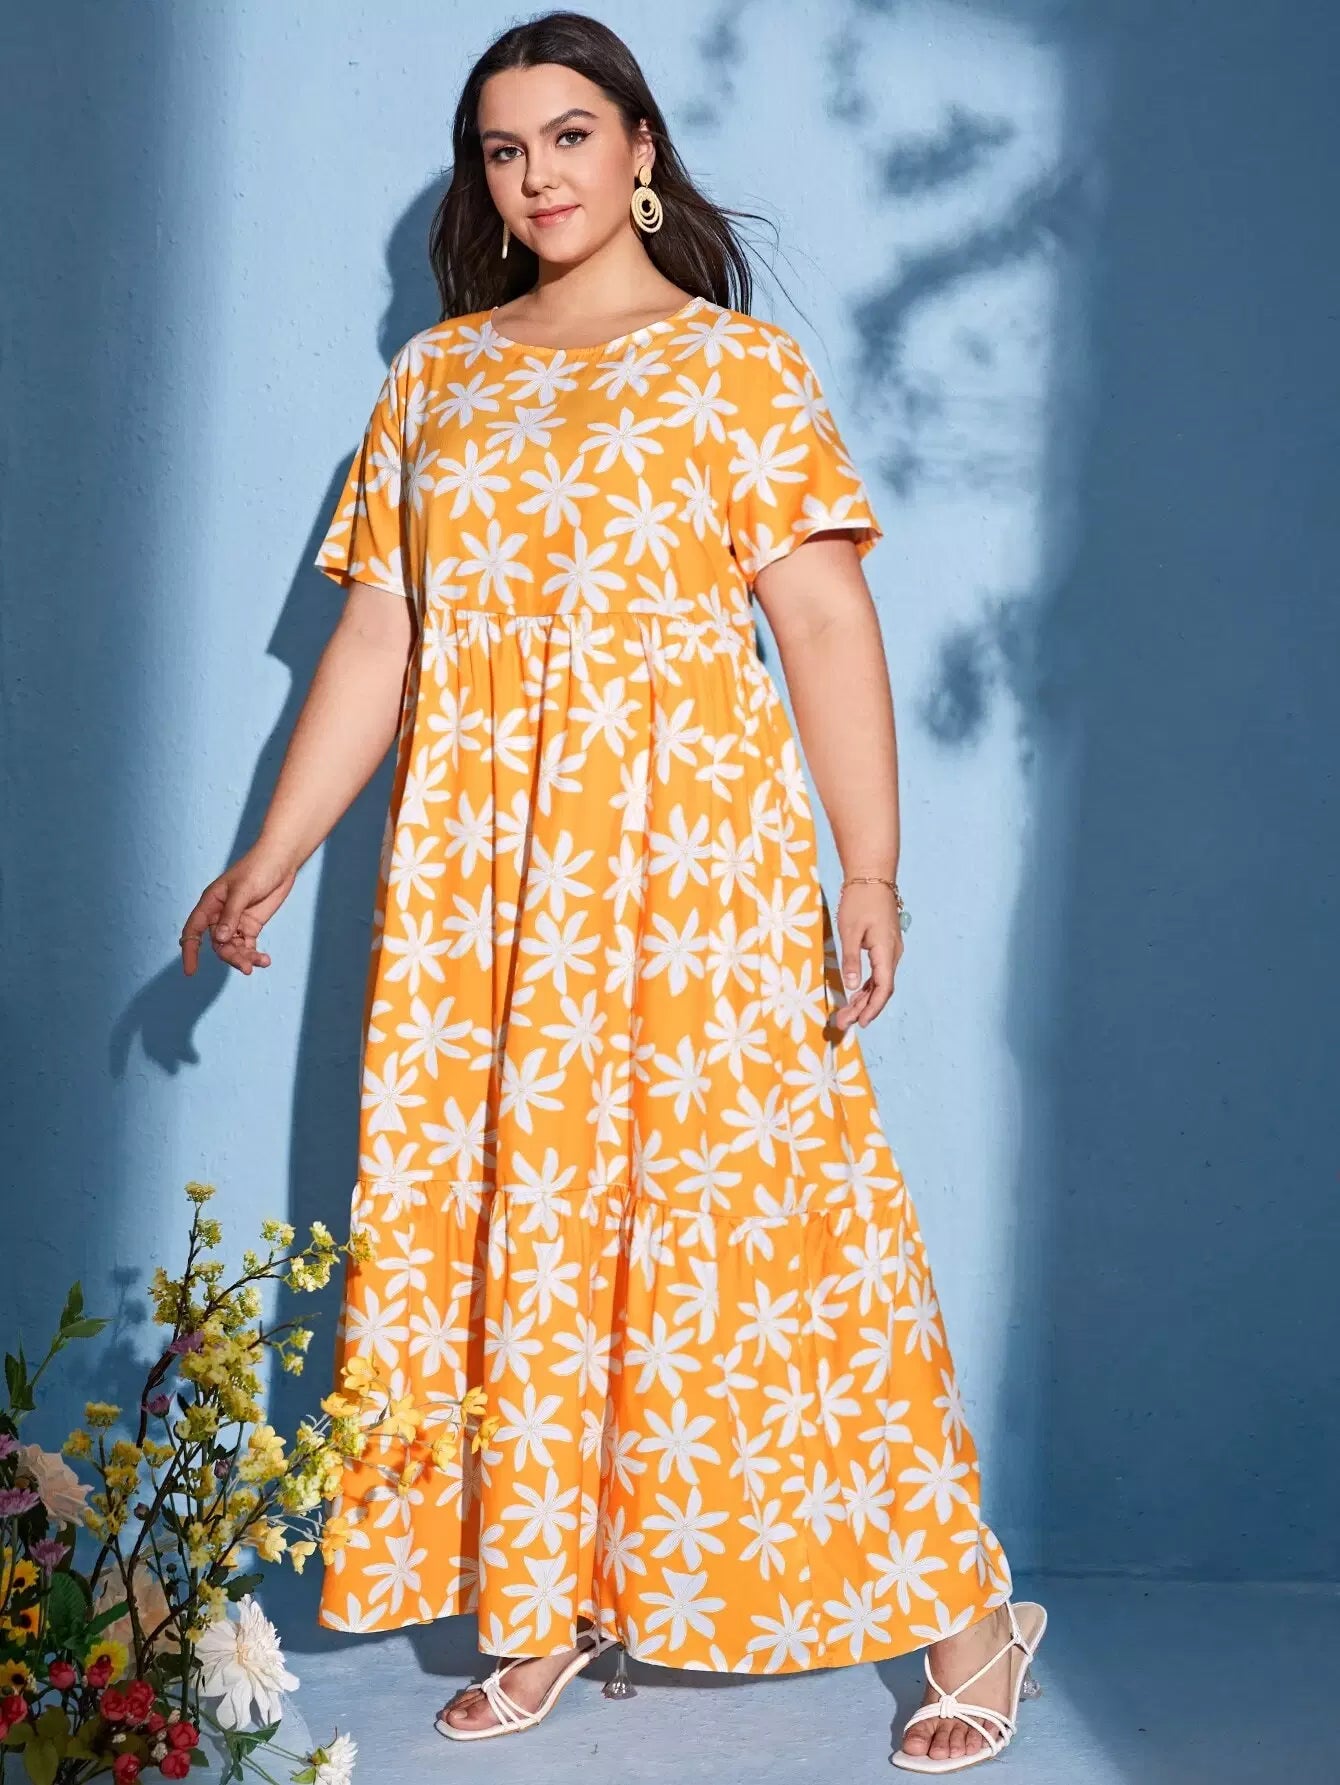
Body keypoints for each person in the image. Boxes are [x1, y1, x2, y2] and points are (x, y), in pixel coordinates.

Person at [178, 9, 1046, 1772]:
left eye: (569, 136)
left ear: (640, 150)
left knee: (774, 1230)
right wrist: (271, 850)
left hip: (693, 869)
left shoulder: (735, 369)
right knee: (515, 1221)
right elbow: (382, 638)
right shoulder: (435, 380)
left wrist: (871, 866)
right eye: (504, 150)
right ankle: (542, 1597)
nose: (538, 176)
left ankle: (970, 1612)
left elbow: (823, 619)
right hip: (481, 890)